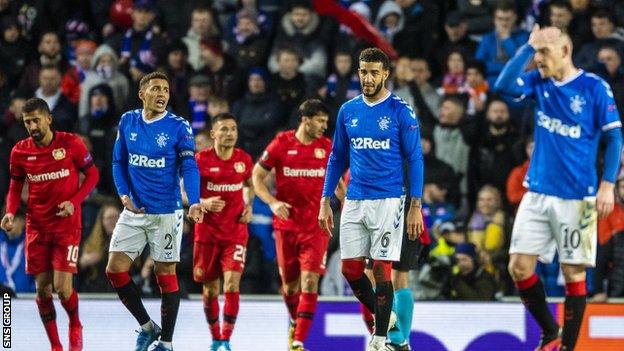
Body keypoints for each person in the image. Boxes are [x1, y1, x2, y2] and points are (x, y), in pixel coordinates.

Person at [494, 25, 623, 351]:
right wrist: (526, 46)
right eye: (537, 54)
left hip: (576, 197)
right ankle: (551, 332)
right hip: (537, 192)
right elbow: (503, 85)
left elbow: (614, 137)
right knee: (519, 268)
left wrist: (608, 184)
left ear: (564, 52)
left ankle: (567, 346)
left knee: (573, 272)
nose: (538, 60)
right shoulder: (539, 82)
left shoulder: (594, 88)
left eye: (544, 52)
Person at [319, 47, 424, 351]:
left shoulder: (400, 110)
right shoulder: (348, 111)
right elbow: (338, 155)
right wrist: (326, 198)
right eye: (363, 71)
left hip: (389, 200)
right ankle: (388, 319)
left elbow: (415, 158)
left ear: (385, 74)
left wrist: (414, 206)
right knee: (350, 270)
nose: (367, 77)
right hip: (354, 199)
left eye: (374, 72)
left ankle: (380, 339)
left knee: (381, 270)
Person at [105, 72, 203, 351]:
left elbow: (189, 166)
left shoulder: (179, 126)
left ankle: (167, 343)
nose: (162, 94)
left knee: (165, 275)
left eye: (166, 90)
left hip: (166, 213)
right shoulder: (128, 121)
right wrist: (124, 195)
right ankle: (148, 327)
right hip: (135, 210)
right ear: (142, 94)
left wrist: (194, 200)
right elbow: (118, 161)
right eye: (156, 89)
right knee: (114, 270)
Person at [1, 97, 100, 351]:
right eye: (27, 122)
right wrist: (11, 212)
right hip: (37, 227)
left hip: (67, 225)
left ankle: (75, 325)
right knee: (43, 292)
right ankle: (56, 346)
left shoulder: (70, 143)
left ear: (48, 119)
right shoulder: (20, 151)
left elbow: (92, 175)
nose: (32, 126)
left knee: (62, 289)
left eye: (36, 120)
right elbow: (15, 187)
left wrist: (74, 201)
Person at [252, 99, 336, 351]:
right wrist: (272, 202)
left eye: (326, 122)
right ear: (305, 119)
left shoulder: (327, 147)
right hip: (286, 225)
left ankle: (298, 341)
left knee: (310, 281)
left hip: (316, 227)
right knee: (289, 285)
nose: (324, 126)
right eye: (320, 121)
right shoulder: (282, 143)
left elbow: (339, 185)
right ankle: (293, 321)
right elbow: (256, 176)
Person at [194, 113, 254, 351]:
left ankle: (226, 340)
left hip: (235, 233)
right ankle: (215, 337)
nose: (230, 134)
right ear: (213, 134)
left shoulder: (243, 160)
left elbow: (250, 185)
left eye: (233, 129)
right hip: (207, 233)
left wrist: (248, 206)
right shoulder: (200, 160)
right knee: (210, 289)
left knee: (231, 285)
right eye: (224, 129)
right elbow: (183, 193)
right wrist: (203, 203)